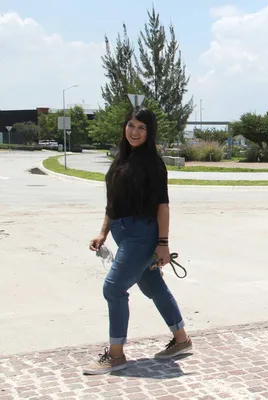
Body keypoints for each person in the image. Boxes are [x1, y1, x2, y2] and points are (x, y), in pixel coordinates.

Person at [84, 107, 192, 374]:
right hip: (124, 233)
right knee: (153, 286)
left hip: (142, 234)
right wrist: (103, 232)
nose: (134, 131)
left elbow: (163, 207)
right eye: (131, 125)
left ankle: (116, 355)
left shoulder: (153, 165)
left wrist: (163, 244)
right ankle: (181, 340)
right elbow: (113, 204)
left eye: (141, 128)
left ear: (149, 132)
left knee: (113, 288)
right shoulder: (120, 160)